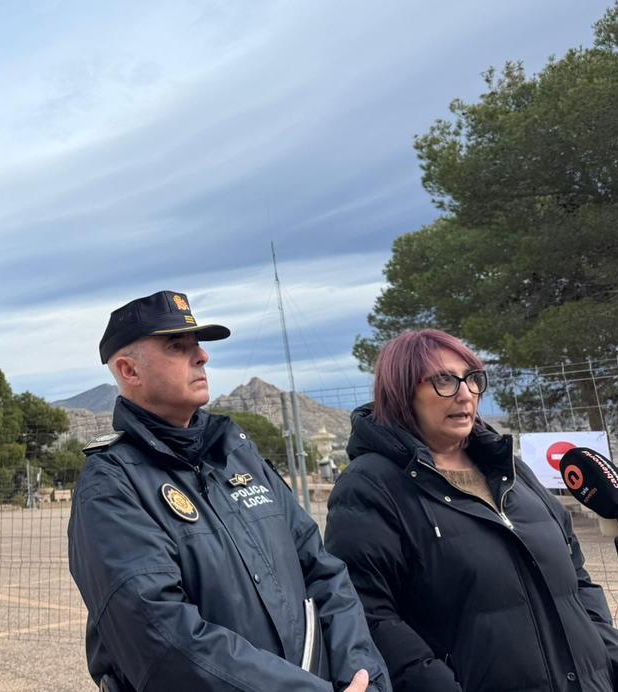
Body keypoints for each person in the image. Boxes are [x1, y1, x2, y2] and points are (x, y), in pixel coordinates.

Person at [68, 290, 390, 691]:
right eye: (176, 346)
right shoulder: (112, 485)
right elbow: (161, 636)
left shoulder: (238, 454)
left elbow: (323, 572)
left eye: (198, 345)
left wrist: (364, 678)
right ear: (129, 371)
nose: (202, 356)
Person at [325, 329, 618, 692]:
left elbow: (577, 579)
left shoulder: (514, 471)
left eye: (473, 379)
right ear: (401, 392)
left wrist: (612, 658)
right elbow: (370, 614)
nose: (465, 394)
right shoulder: (369, 486)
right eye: (444, 380)